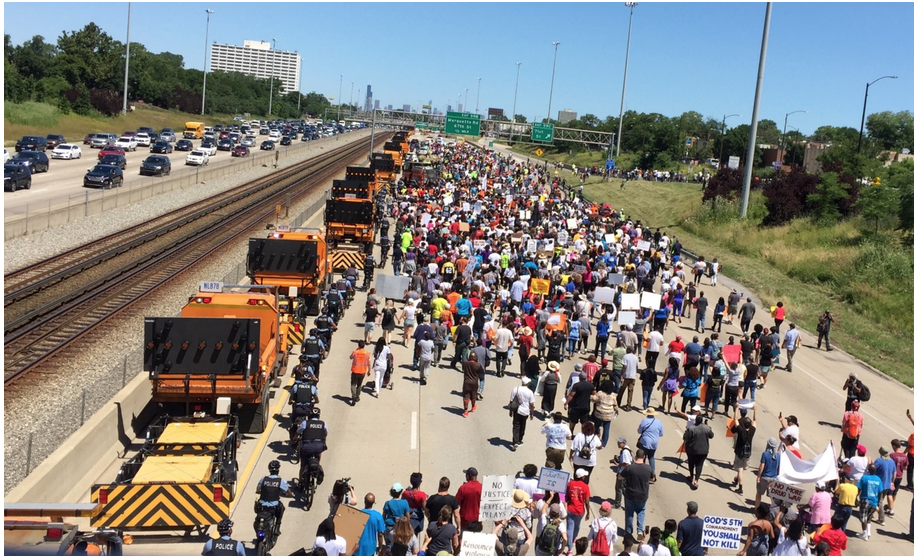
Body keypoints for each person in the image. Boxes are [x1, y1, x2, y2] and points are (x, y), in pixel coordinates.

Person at [621, 449, 653, 537]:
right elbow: (652, 479)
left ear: (635, 456)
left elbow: (620, 476)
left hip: (630, 494)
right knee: (641, 512)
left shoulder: (630, 468)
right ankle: (639, 530)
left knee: (629, 513)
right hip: (643, 495)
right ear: (644, 457)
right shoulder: (648, 468)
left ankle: (628, 532)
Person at [256, 460, 293, 535]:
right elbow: (287, 491)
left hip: (262, 506)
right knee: (282, 508)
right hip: (274, 507)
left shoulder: (263, 479)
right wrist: (291, 494)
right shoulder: (280, 481)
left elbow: (258, 489)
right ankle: (277, 527)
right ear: (278, 470)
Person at [682, 415, 714, 489]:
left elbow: (685, 438)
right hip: (703, 450)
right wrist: (709, 427)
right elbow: (711, 436)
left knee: (691, 463)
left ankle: (691, 476)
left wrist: (686, 432)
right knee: (699, 465)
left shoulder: (692, 428)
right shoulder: (706, 428)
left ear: (696, 420)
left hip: (692, 450)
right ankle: (696, 480)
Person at [565, 469, 592, 547]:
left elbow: (566, 496)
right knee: (577, 526)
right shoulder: (585, 487)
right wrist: (588, 512)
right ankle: (573, 539)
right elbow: (587, 501)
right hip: (580, 511)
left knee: (570, 527)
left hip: (570, 509)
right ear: (582, 477)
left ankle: (569, 545)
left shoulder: (570, 484)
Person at [590, 380, 618, 449]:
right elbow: (615, 405)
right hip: (608, 415)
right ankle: (603, 444)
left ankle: (594, 439)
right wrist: (617, 410)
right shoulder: (613, 395)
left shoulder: (600, 393)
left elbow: (593, 399)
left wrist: (591, 395)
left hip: (599, 413)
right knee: (606, 429)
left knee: (596, 426)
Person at [636, 408, 664, 474]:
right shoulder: (659, 422)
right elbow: (661, 434)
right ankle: (652, 474)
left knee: (642, 457)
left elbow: (639, 431)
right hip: (654, 443)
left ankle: (641, 472)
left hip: (645, 442)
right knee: (651, 457)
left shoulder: (644, 421)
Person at [456, 467, 483, 533]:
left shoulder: (463, 488)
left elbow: (456, 503)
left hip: (465, 523)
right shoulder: (482, 487)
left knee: (463, 542)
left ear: (469, 476)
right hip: (477, 522)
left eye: (466, 475)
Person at [873, 447, 896, 523]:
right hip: (887, 485)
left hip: (878, 484)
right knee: (879, 500)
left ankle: (881, 519)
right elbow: (894, 474)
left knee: (879, 502)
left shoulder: (879, 461)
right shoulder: (892, 461)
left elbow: (872, 469)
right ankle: (872, 512)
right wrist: (892, 482)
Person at [462, 352, 483, 417]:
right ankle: (473, 406)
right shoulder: (478, 365)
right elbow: (481, 372)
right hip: (474, 383)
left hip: (466, 382)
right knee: (473, 395)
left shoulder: (465, 363)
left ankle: (465, 411)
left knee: (466, 396)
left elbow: (463, 369)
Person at [350, 340, 371, 405]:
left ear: (358, 345)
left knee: (353, 384)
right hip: (362, 372)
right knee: (359, 384)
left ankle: (353, 395)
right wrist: (369, 371)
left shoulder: (355, 352)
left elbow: (351, 357)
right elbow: (369, 363)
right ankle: (357, 396)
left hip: (355, 371)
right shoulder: (367, 353)